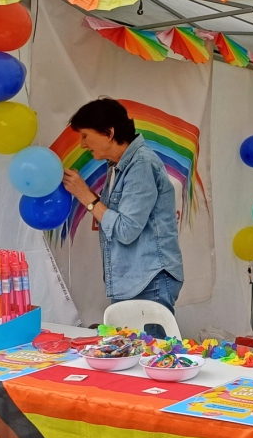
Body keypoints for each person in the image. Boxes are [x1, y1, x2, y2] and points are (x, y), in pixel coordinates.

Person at [61, 98, 184, 313]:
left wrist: (85, 196)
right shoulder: (119, 165)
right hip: (134, 281)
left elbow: (126, 230)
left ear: (109, 133)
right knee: (128, 347)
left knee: (148, 348)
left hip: (147, 281)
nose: (82, 144)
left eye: (85, 136)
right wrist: (88, 194)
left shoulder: (141, 165)